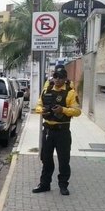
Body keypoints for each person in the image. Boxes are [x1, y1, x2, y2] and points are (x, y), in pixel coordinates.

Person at [32, 68, 81, 196]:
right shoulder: (46, 91)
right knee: (46, 159)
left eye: (60, 77)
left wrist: (63, 110)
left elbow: (77, 111)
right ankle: (44, 184)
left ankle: (63, 186)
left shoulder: (70, 93)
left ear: (65, 78)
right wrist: (42, 110)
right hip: (48, 130)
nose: (58, 79)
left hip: (62, 132)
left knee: (64, 160)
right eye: (55, 76)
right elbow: (37, 106)